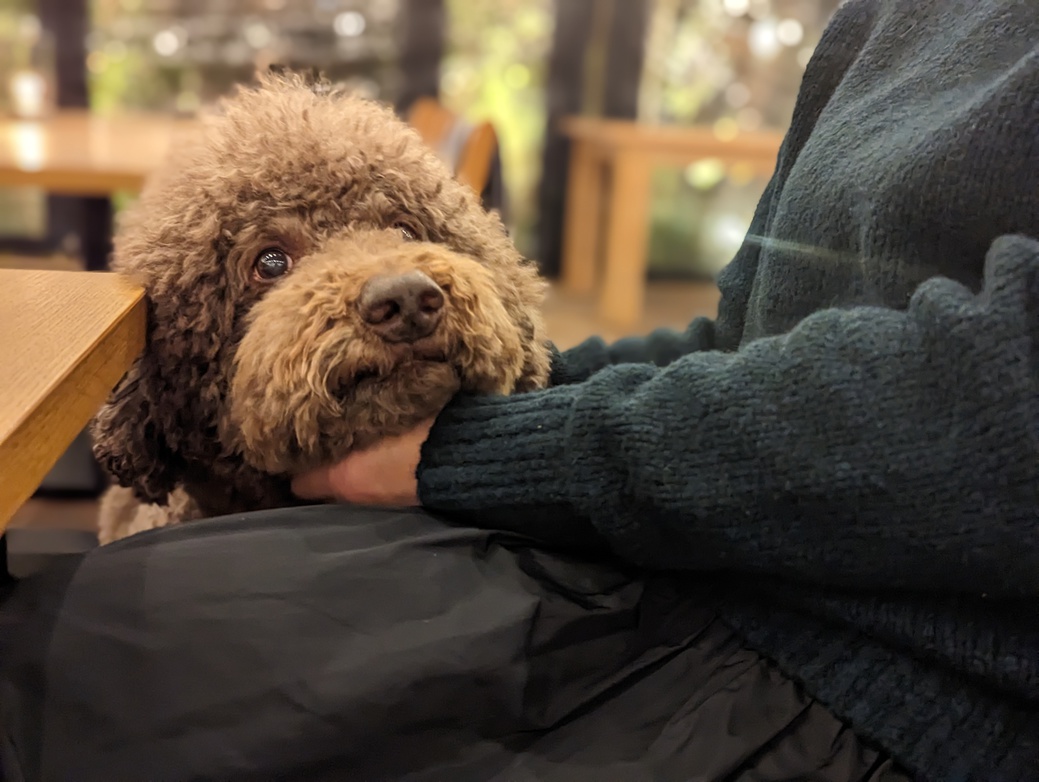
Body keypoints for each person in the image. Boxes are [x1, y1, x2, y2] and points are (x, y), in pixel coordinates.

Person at [1, 1, 1035, 780]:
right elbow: (752, 331)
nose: (394, 286)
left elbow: (999, 401)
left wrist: (479, 448)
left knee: (55, 677)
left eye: (404, 231)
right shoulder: (884, 15)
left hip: (907, 681)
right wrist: (526, 408)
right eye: (272, 266)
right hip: (739, 556)